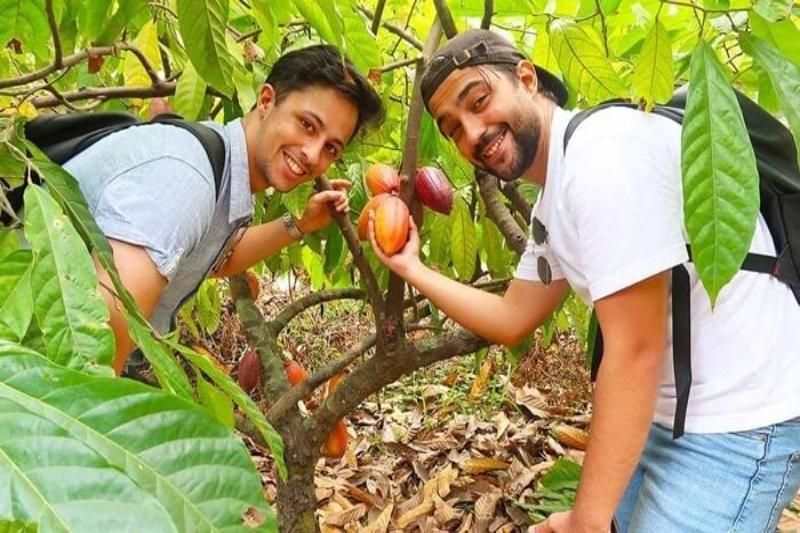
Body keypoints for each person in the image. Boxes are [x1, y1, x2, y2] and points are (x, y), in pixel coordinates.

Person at [368, 29, 800, 532]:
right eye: (453, 129)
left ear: (526, 78)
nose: (473, 133)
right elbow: (512, 317)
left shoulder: (603, 158)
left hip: (738, 422)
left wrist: (585, 522)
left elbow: (634, 350)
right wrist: (413, 268)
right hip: (670, 419)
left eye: (479, 101)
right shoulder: (560, 188)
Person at [63, 44, 382, 374]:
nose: (313, 154)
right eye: (307, 124)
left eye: (331, 148)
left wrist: (299, 224)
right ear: (266, 100)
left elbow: (215, 258)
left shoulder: (221, 164)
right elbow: (104, 323)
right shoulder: (189, 178)